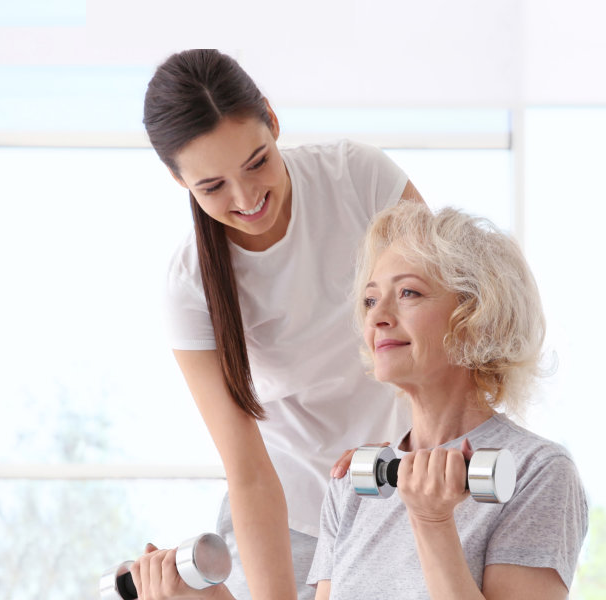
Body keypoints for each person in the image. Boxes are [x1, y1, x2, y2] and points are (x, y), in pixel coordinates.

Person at [133, 201, 588, 600]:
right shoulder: (356, 481)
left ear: (475, 315)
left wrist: (432, 523)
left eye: (408, 293)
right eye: (371, 301)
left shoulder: (537, 471)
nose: (379, 318)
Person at [133, 48, 425, 600]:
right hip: (283, 513)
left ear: (271, 118)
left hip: (401, 485)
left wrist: (423, 449)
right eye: (212, 187)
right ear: (178, 180)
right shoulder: (189, 284)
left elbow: (445, 318)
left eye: (257, 162)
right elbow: (247, 469)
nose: (247, 199)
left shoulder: (359, 178)